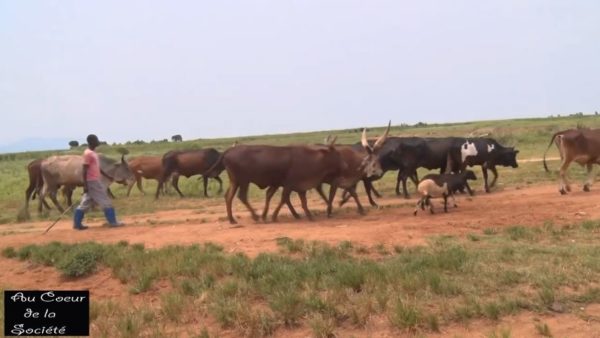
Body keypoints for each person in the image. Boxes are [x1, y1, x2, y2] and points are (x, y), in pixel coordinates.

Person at [73, 134, 124, 230]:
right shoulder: (88, 154)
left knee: (85, 203)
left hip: (94, 181)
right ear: (91, 142)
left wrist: (107, 176)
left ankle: (77, 224)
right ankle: (113, 222)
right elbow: (85, 169)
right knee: (105, 201)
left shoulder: (93, 153)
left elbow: (97, 167)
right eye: (96, 140)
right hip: (92, 182)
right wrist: (85, 185)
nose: (98, 141)